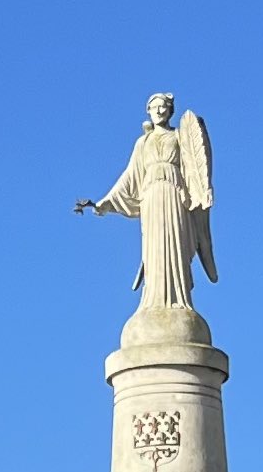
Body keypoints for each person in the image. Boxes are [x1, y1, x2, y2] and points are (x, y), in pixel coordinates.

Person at [82, 92, 216, 311]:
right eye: (154, 108)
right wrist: (104, 202)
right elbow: (130, 176)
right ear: (148, 112)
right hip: (151, 197)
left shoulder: (179, 137)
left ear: (170, 110)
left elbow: (195, 167)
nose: (159, 111)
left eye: (163, 107)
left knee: (176, 242)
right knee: (154, 247)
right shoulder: (143, 142)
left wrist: (203, 188)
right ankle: (154, 300)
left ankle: (179, 299)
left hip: (174, 194)